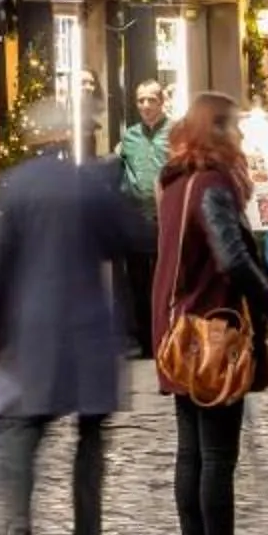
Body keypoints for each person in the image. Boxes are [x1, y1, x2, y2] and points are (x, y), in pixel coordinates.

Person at [0, 95, 145, 535]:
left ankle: (19, 531)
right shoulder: (89, 185)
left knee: (27, 430)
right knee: (89, 435)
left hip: (32, 328)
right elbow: (132, 239)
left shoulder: (12, 189)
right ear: (67, 136)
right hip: (86, 325)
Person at [152, 92, 268, 535]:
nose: (242, 138)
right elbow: (231, 258)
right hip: (212, 336)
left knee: (191, 456)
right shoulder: (212, 184)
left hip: (176, 335)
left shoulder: (173, 183)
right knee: (216, 461)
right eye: (234, 128)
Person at [117, 78, 172, 357]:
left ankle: (167, 336)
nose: (146, 105)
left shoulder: (174, 133)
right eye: (141, 100)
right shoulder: (130, 137)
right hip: (138, 218)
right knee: (138, 282)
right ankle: (146, 342)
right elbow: (121, 167)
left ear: (161, 102)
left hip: (167, 219)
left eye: (151, 99)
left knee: (166, 280)